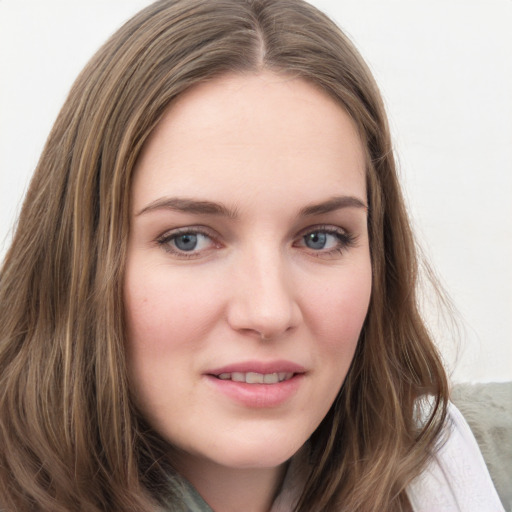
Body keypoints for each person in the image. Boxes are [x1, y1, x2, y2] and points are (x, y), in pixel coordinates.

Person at [0, 0, 504, 511]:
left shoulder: (471, 468)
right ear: (74, 259)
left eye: (320, 238)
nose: (268, 312)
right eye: (188, 239)